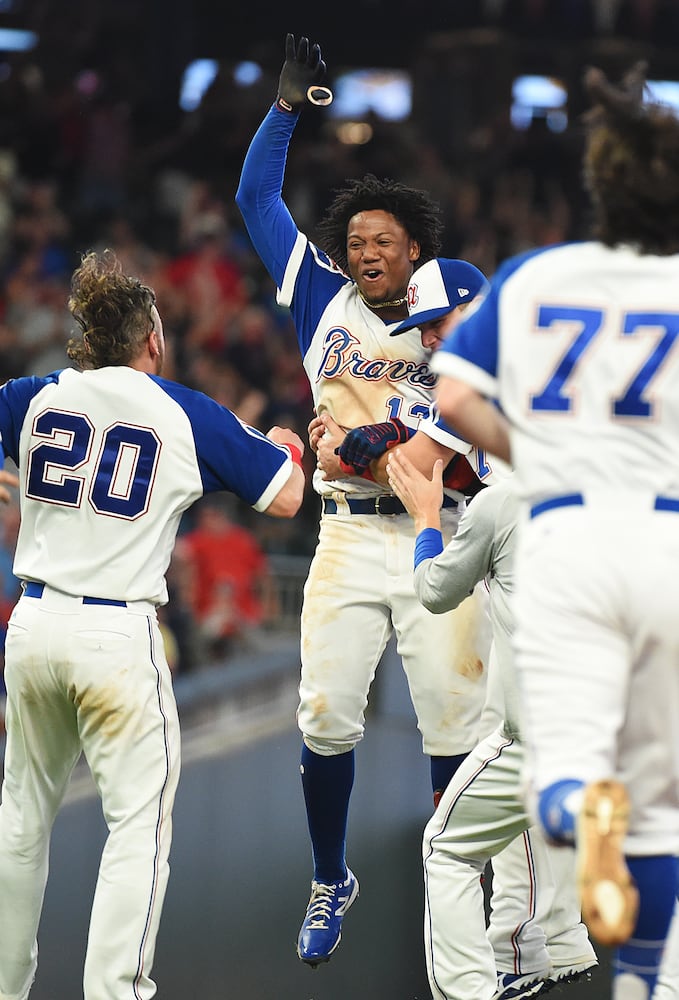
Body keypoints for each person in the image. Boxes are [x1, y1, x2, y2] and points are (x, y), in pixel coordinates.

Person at [236, 34, 492, 967]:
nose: (364, 252)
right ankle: (328, 875)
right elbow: (256, 201)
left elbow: (460, 433)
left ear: (415, 249)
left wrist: (365, 440)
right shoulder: (318, 295)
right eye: (354, 241)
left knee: (454, 724)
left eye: (382, 240)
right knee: (325, 714)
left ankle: (460, 871)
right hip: (344, 534)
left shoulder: (454, 303)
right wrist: (283, 111)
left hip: (439, 528)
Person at [429, 62, 679, 1000]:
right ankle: (649, 979)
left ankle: (579, 805)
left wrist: (540, 452)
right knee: (661, 808)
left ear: (599, 185)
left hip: (566, 544)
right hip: (664, 540)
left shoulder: (540, 274)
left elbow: (452, 395)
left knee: (557, 772)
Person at [0, 248, 306, 1000]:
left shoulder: (31, 396)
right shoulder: (182, 411)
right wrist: (287, 449)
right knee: (136, 828)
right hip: (116, 633)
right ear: (152, 340)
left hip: (34, 624)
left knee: (19, 823)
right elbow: (288, 497)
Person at [347, 256, 597, 1000]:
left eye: (437, 322)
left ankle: (520, 953)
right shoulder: (518, 366)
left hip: (526, 560)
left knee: (508, 769)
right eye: (420, 330)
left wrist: (358, 448)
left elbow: (409, 463)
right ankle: (552, 939)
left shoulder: (489, 372)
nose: (429, 340)